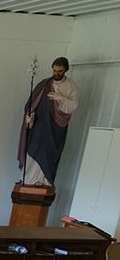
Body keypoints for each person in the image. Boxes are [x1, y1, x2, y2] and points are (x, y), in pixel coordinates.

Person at [17, 57, 79, 186]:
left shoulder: (71, 86)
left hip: (56, 128)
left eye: (60, 71)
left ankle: (44, 180)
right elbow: (31, 105)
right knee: (33, 149)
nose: (56, 74)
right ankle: (28, 179)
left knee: (50, 154)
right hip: (39, 126)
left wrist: (61, 98)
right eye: (55, 70)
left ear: (65, 70)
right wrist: (30, 118)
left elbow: (74, 106)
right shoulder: (44, 84)